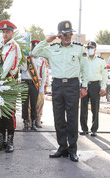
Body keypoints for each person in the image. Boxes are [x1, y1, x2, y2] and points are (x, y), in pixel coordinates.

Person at [32, 20, 88, 162]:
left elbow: (84, 69)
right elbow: (34, 52)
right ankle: (62, 146)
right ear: (59, 34)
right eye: (65, 34)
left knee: (72, 117)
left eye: (70, 33)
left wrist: (84, 86)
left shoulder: (79, 49)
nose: (68, 36)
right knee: (58, 117)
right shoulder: (51, 48)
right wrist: (48, 40)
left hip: (72, 85)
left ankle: (73, 149)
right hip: (57, 85)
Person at [0, 20, 22, 153]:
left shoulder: (13, 46)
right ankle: (2, 141)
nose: (5, 34)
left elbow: (5, 68)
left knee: (9, 114)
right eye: (3, 32)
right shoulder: (0, 47)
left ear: (12, 33)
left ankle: (10, 142)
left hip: (9, 83)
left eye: (7, 32)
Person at [80, 41, 107, 137]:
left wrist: (103, 87)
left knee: (95, 108)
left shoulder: (100, 60)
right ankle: (84, 129)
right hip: (84, 85)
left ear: (95, 49)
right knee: (83, 108)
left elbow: (104, 75)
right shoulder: (83, 60)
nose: (89, 49)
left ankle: (94, 129)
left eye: (91, 48)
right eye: (88, 48)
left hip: (95, 85)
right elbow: (79, 72)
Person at [21, 40, 46, 131]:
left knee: (34, 103)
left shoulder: (42, 60)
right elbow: (23, 69)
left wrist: (41, 88)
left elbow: (43, 75)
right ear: (31, 47)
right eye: (33, 47)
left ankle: (33, 123)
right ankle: (26, 123)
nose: (35, 49)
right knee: (24, 103)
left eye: (36, 47)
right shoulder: (26, 58)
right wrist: (25, 58)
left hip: (35, 83)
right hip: (25, 82)